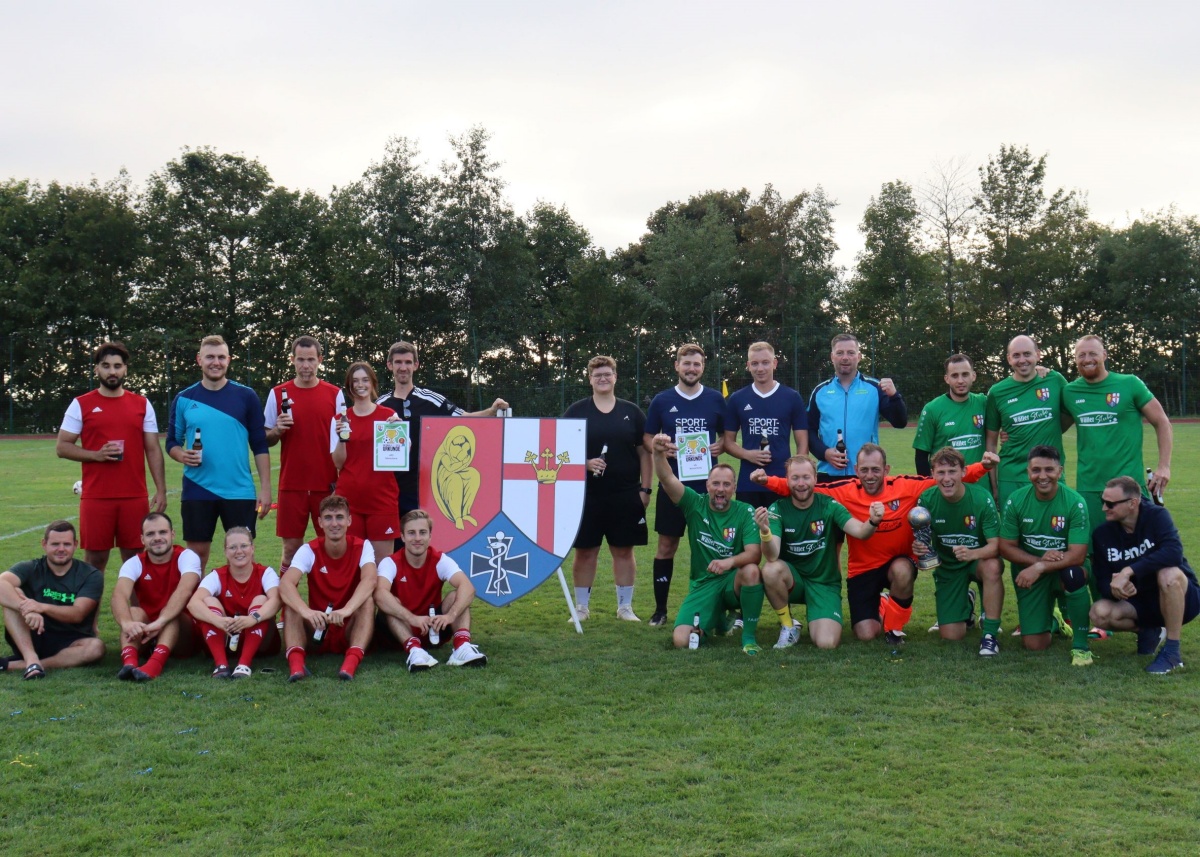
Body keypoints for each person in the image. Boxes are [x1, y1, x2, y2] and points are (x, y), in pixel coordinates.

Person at [753, 444, 996, 643]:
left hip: (898, 564)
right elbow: (803, 486)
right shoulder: (843, 491)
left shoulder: (906, 486)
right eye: (865, 470)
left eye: (876, 470)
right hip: (863, 570)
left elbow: (947, 478)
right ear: (856, 469)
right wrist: (768, 482)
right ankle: (882, 603)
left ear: (886, 469)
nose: (870, 476)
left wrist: (982, 467)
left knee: (902, 570)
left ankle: (895, 627)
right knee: (866, 634)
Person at [55, 341, 167, 573]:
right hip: (96, 496)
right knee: (94, 563)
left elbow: (153, 449)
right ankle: (87, 612)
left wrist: (161, 489)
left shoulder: (142, 404)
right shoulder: (81, 404)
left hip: (134, 496)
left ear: (126, 369)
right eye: (106, 366)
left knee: (135, 562)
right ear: (96, 369)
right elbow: (62, 447)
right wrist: (96, 455)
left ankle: (136, 611)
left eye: (118, 366)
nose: (112, 371)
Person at [650, 434, 765, 654]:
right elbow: (667, 479)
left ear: (733, 489)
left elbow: (754, 554)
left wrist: (728, 562)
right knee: (681, 640)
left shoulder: (744, 511)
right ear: (707, 485)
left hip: (732, 580)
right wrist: (657, 453)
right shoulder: (694, 504)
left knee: (751, 571)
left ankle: (748, 637)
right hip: (703, 584)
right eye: (715, 484)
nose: (720, 489)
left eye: (726, 484)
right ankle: (717, 621)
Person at [754, 456, 883, 651]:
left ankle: (821, 613)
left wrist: (872, 521)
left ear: (815, 478)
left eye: (806, 477)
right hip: (793, 581)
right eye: (795, 478)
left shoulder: (829, 505)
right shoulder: (778, 509)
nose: (801, 484)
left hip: (824, 583)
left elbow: (859, 531)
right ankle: (788, 625)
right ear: (787, 480)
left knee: (827, 643)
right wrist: (765, 531)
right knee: (772, 569)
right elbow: (772, 556)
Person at [166, 334, 271, 571]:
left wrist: (265, 489)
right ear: (199, 360)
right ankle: (194, 607)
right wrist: (181, 455)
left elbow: (259, 444)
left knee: (241, 554)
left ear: (229, 360)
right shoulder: (184, 398)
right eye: (210, 357)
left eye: (221, 357)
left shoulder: (247, 396)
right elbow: (172, 441)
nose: (216, 362)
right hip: (197, 489)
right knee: (196, 557)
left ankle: (241, 607)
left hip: (239, 489)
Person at [376, 340, 508, 525]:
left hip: (423, 489)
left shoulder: (431, 400)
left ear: (416, 365)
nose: (403, 367)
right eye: (398, 362)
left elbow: (465, 418)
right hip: (388, 489)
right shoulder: (380, 406)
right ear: (390, 365)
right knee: (392, 548)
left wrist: (491, 411)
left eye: (407, 362)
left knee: (419, 543)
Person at [642, 343, 726, 626]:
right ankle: (660, 610)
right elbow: (647, 437)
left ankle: (717, 607)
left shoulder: (715, 399)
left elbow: (727, 437)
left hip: (709, 488)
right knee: (666, 545)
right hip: (672, 484)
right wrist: (659, 448)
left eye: (697, 364)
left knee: (714, 548)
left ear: (703, 368)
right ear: (677, 366)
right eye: (686, 364)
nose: (692, 369)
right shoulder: (662, 400)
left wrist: (719, 445)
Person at [564, 355, 651, 621]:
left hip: (625, 494)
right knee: (586, 551)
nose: (603, 378)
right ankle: (581, 609)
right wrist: (585, 464)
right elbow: (559, 453)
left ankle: (625, 607)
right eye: (597, 374)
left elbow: (645, 454)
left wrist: (645, 491)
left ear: (615, 377)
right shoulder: (576, 411)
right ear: (589, 379)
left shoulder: (632, 411)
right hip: (586, 495)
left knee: (624, 550)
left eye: (607, 373)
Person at [1063, 334, 1174, 534]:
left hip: (1129, 486)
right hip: (1089, 487)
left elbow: (1162, 422)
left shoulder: (1130, 384)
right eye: (1081, 355)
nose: (1087, 359)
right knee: (1095, 553)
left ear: (1104, 355)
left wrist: (1164, 466)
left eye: (1093, 353)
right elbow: (1054, 425)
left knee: (1141, 548)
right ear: (1075, 359)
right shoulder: (1070, 392)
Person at [1089, 476, 1200, 674]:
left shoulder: (1156, 516)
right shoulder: (1102, 535)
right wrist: (1117, 589)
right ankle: (1149, 631)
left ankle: (1172, 652)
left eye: (1110, 503)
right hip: (1138, 603)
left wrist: (1129, 571)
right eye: (1103, 502)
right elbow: (1103, 582)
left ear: (1132, 503)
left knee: (1169, 574)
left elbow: (1173, 552)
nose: (1104, 508)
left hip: (1180, 598)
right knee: (1099, 613)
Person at [998, 446, 1094, 665]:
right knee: (1034, 644)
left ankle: (1080, 646)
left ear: (1060, 471)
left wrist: (1040, 567)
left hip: (1063, 569)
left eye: (1049, 470)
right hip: (1031, 572)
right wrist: (1037, 563)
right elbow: (1006, 547)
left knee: (1073, 575)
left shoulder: (1074, 502)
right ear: (1027, 471)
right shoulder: (1016, 500)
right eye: (1036, 470)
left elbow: (1078, 555)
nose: (1043, 476)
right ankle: (1053, 620)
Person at [264, 335, 345, 574]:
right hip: (292, 485)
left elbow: (344, 437)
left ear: (320, 360)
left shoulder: (334, 394)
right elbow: (265, 438)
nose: (306, 365)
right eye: (300, 360)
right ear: (292, 360)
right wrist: (278, 429)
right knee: (291, 549)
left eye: (311, 360)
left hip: (326, 484)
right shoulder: (278, 393)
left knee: (332, 546)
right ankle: (289, 607)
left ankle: (332, 602)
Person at [914, 447, 1004, 655]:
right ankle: (967, 601)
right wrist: (920, 548)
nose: (947, 478)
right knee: (951, 635)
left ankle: (989, 635)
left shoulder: (982, 498)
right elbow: (924, 542)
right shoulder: (926, 500)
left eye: (952, 471)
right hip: (948, 568)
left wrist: (973, 554)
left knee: (992, 566)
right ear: (932, 474)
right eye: (941, 472)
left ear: (964, 472)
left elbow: (996, 545)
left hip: (977, 561)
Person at [374, 510, 488, 672]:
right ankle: (414, 650)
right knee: (390, 602)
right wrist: (412, 618)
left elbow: (468, 587)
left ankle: (462, 647)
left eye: (422, 532)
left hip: (433, 629)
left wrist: (450, 615)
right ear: (403, 537)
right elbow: (379, 594)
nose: (417, 538)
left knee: (456, 596)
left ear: (430, 536)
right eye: (411, 533)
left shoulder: (439, 559)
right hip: (399, 631)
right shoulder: (390, 562)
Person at [279, 495, 376, 682]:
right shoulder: (309, 549)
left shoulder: (362, 546)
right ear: (320, 522)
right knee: (292, 605)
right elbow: (285, 583)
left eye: (339, 517)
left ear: (349, 520)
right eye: (328, 518)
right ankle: (296, 666)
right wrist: (306, 612)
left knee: (368, 601)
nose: (334, 523)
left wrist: (347, 610)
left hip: (348, 626)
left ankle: (350, 664)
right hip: (318, 628)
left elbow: (370, 580)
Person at [0, 521, 105, 678]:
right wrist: (26, 608)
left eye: (67, 544)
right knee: (12, 592)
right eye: (55, 544)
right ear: (44, 544)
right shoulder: (30, 567)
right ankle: (30, 657)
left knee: (96, 648)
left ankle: (18, 665)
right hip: (32, 634)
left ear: (75, 545)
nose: (61, 549)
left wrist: (41, 607)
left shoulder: (91, 575)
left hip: (70, 640)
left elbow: (78, 613)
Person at [111, 513, 202, 681]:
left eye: (162, 532)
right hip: (147, 632)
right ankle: (129, 663)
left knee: (171, 616)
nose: (157, 538)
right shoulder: (134, 562)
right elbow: (119, 595)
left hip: (183, 635)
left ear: (172, 535)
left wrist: (160, 622)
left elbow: (184, 591)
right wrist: (126, 623)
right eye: (150, 534)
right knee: (134, 612)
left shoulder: (187, 556)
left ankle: (154, 665)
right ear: (142, 539)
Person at [808, 333, 907, 480]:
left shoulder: (875, 388)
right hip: (828, 474)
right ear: (832, 357)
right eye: (840, 353)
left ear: (859, 357)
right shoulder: (820, 391)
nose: (845, 357)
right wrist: (825, 453)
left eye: (851, 352)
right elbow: (808, 430)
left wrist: (895, 397)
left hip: (866, 475)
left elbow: (900, 422)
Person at [985, 335, 1068, 510]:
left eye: (1027, 354)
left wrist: (1051, 429)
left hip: (1050, 473)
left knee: (1054, 532)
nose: (1022, 360)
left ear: (1038, 354)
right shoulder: (997, 392)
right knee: (1012, 535)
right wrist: (995, 486)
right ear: (1009, 359)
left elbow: (1070, 415)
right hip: (1012, 476)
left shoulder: (1055, 381)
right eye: (1016, 355)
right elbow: (991, 443)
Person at [186, 527, 281, 679]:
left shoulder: (265, 572)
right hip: (225, 637)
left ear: (252, 548)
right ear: (225, 551)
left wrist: (252, 618)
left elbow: (277, 601)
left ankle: (244, 664)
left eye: (244, 546)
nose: (239, 551)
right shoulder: (217, 575)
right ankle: (221, 665)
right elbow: (193, 604)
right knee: (208, 601)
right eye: (233, 547)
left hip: (260, 642)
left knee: (261, 600)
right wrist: (218, 620)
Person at [723, 341, 808, 508]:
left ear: (774, 363)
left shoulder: (791, 397)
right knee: (750, 533)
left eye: (765, 362)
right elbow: (728, 441)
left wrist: (796, 475)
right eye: (754, 363)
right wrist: (748, 455)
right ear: (748, 365)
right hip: (749, 483)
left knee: (782, 533)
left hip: (782, 482)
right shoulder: (738, 398)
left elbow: (803, 444)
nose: (760, 368)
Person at [333, 362, 401, 563]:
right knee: (353, 562)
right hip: (350, 500)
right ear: (349, 386)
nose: (360, 385)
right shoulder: (339, 419)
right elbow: (338, 463)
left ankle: (381, 596)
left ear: (372, 383)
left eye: (365, 380)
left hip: (382, 500)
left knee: (383, 564)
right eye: (355, 381)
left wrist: (398, 433)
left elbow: (401, 458)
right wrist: (341, 436)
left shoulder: (388, 416)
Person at [913, 354, 987, 475]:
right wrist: (930, 487)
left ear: (973, 376)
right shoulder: (932, 409)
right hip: (947, 487)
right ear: (946, 378)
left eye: (965, 374)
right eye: (954, 375)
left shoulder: (983, 403)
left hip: (980, 486)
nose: (960, 381)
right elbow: (921, 457)